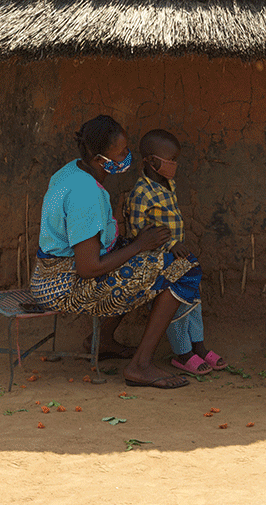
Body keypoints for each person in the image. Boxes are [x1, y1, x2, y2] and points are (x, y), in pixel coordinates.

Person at [28, 115, 202, 389]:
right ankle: (141, 365)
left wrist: (134, 248)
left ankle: (104, 341)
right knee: (184, 270)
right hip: (64, 285)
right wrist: (138, 246)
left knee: (137, 261)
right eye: (121, 152)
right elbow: (88, 267)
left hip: (48, 274)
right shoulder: (86, 194)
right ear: (100, 158)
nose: (127, 155)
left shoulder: (71, 171)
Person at [127, 129, 225, 377]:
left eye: (175, 160)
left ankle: (199, 346)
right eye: (169, 160)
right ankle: (182, 353)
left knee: (194, 299)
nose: (174, 166)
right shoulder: (142, 193)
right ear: (150, 161)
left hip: (176, 258)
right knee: (177, 303)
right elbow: (137, 234)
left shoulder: (167, 185)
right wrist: (168, 247)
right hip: (157, 261)